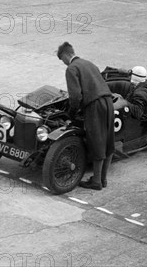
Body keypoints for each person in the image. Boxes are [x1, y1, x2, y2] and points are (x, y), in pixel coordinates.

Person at [57, 42, 114, 190]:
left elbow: (75, 96)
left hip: (94, 105)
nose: (63, 63)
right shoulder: (89, 63)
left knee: (96, 141)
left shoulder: (72, 68)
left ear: (66, 55)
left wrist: (71, 112)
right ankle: (103, 179)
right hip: (108, 102)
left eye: (62, 60)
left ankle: (96, 182)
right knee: (107, 140)